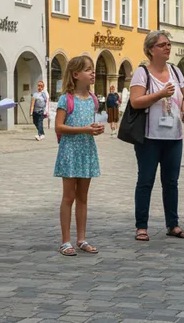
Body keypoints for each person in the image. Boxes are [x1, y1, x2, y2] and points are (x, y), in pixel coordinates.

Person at [129, 30, 184, 242]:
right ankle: (141, 226)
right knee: (145, 181)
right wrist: (159, 94)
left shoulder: (175, 71)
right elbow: (135, 101)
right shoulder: (142, 73)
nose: (167, 47)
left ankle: (173, 224)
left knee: (171, 182)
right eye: (162, 44)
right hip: (149, 137)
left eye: (168, 44)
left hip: (174, 136)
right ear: (150, 50)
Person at [54, 55, 105, 256]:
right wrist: (84, 129)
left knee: (83, 197)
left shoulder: (93, 99)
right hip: (70, 152)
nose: (92, 72)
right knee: (68, 197)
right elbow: (58, 126)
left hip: (86, 150)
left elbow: (88, 125)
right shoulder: (66, 99)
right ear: (76, 75)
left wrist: (95, 129)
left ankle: (81, 238)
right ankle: (65, 241)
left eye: (92, 69)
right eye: (88, 69)